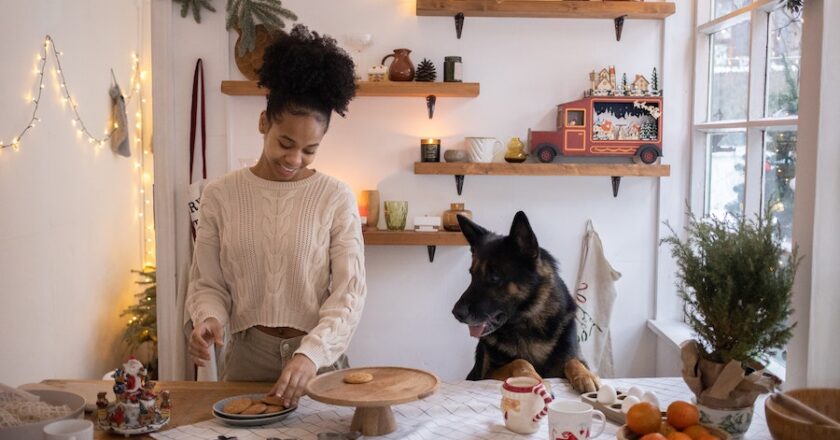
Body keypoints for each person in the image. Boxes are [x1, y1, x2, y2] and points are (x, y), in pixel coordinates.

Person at [186, 24, 365, 409]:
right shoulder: (220, 195)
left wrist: (311, 353)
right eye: (286, 143)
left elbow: (348, 293)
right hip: (247, 359)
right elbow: (207, 283)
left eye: (309, 150)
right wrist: (209, 320)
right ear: (264, 122)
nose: (294, 159)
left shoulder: (335, 196)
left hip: (317, 361)